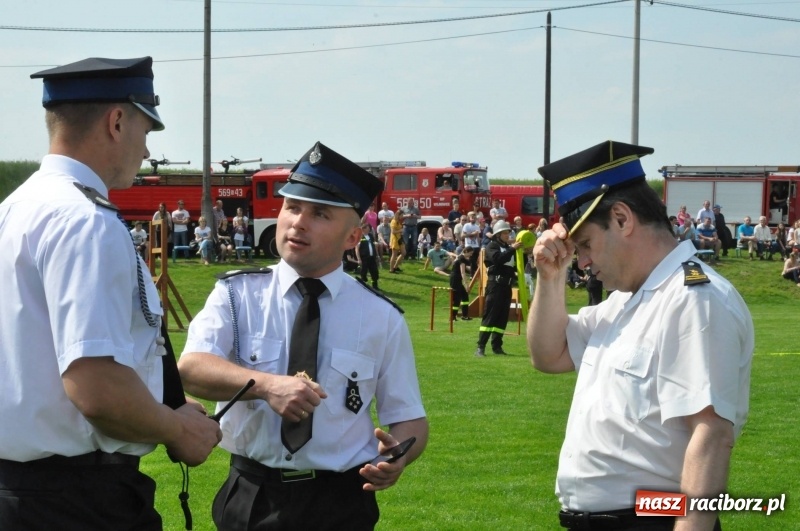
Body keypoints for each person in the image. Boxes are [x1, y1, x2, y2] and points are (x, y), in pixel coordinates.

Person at [0, 55, 221, 530]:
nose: (145, 149)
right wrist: (178, 428)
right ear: (117, 121)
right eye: (146, 129)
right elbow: (96, 386)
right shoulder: (84, 221)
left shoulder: (15, 209)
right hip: (75, 503)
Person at [177, 141, 428, 531]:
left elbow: (409, 418)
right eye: (291, 207)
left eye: (320, 214)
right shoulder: (237, 294)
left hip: (340, 502)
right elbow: (191, 368)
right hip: (252, 494)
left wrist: (398, 457)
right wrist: (265, 385)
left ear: (352, 237)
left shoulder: (382, 317)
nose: (298, 222)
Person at [531, 140, 753, 531]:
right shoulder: (624, 303)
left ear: (621, 218)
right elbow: (549, 356)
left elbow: (712, 434)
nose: (581, 262)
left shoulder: (693, 299)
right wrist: (551, 277)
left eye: (584, 245)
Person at [475, 220, 523, 357]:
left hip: (506, 286)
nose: (508, 235)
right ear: (497, 234)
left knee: (502, 318)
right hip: (495, 286)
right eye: (505, 233)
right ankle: (480, 347)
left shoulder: (508, 248)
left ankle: (497, 347)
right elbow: (498, 259)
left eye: (508, 232)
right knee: (490, 316)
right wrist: (512, 249)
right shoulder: (492, 246)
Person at [450, 246, 474, 321]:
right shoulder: (461, 259)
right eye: (470, 253)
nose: (471, 255)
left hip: (457, 279)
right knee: (457, 299)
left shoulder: (461, 257)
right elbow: (463, 272)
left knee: (465, 296)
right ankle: (452, 317)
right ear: (466, 251)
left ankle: (465, 315)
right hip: (455, 279)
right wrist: (466, 285)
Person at [355, 222, 380, 290]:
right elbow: (357, 249)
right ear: (364, 229)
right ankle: (363, 286)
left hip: (372, 258)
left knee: (374, 271)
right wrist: (359, 259)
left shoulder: (370, 236)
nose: (369, 229)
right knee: (364, 272)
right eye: (368, 228)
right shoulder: (360, 237)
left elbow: (374, 246)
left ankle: (374, 285)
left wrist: (377, 255)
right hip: (364, 258)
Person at [389, 209, 406, 273]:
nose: (402, 216)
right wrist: (400, 230)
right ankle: (391, 269)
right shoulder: (393, 221)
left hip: (400, 238)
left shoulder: (398, 221)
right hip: (395, 239)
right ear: (398, 215)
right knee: (394, 254)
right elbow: (393, 231)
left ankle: (395, 267)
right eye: (401, 215)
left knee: (403, 253)